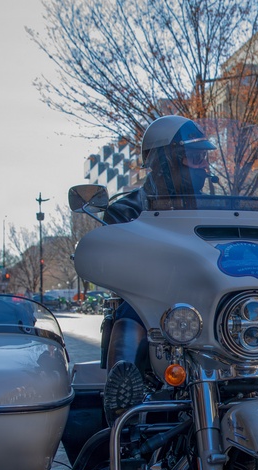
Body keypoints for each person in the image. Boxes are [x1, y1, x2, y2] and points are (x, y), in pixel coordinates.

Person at [100, 115, 217, 423]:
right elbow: (118, 258)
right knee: (129, 314)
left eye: (205, 158)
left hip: (212, 298)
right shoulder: (127, 209)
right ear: (166, 162)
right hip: (153, 302)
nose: (205, 167)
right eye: (196, 158)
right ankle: (122, 403)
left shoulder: (221, 209)